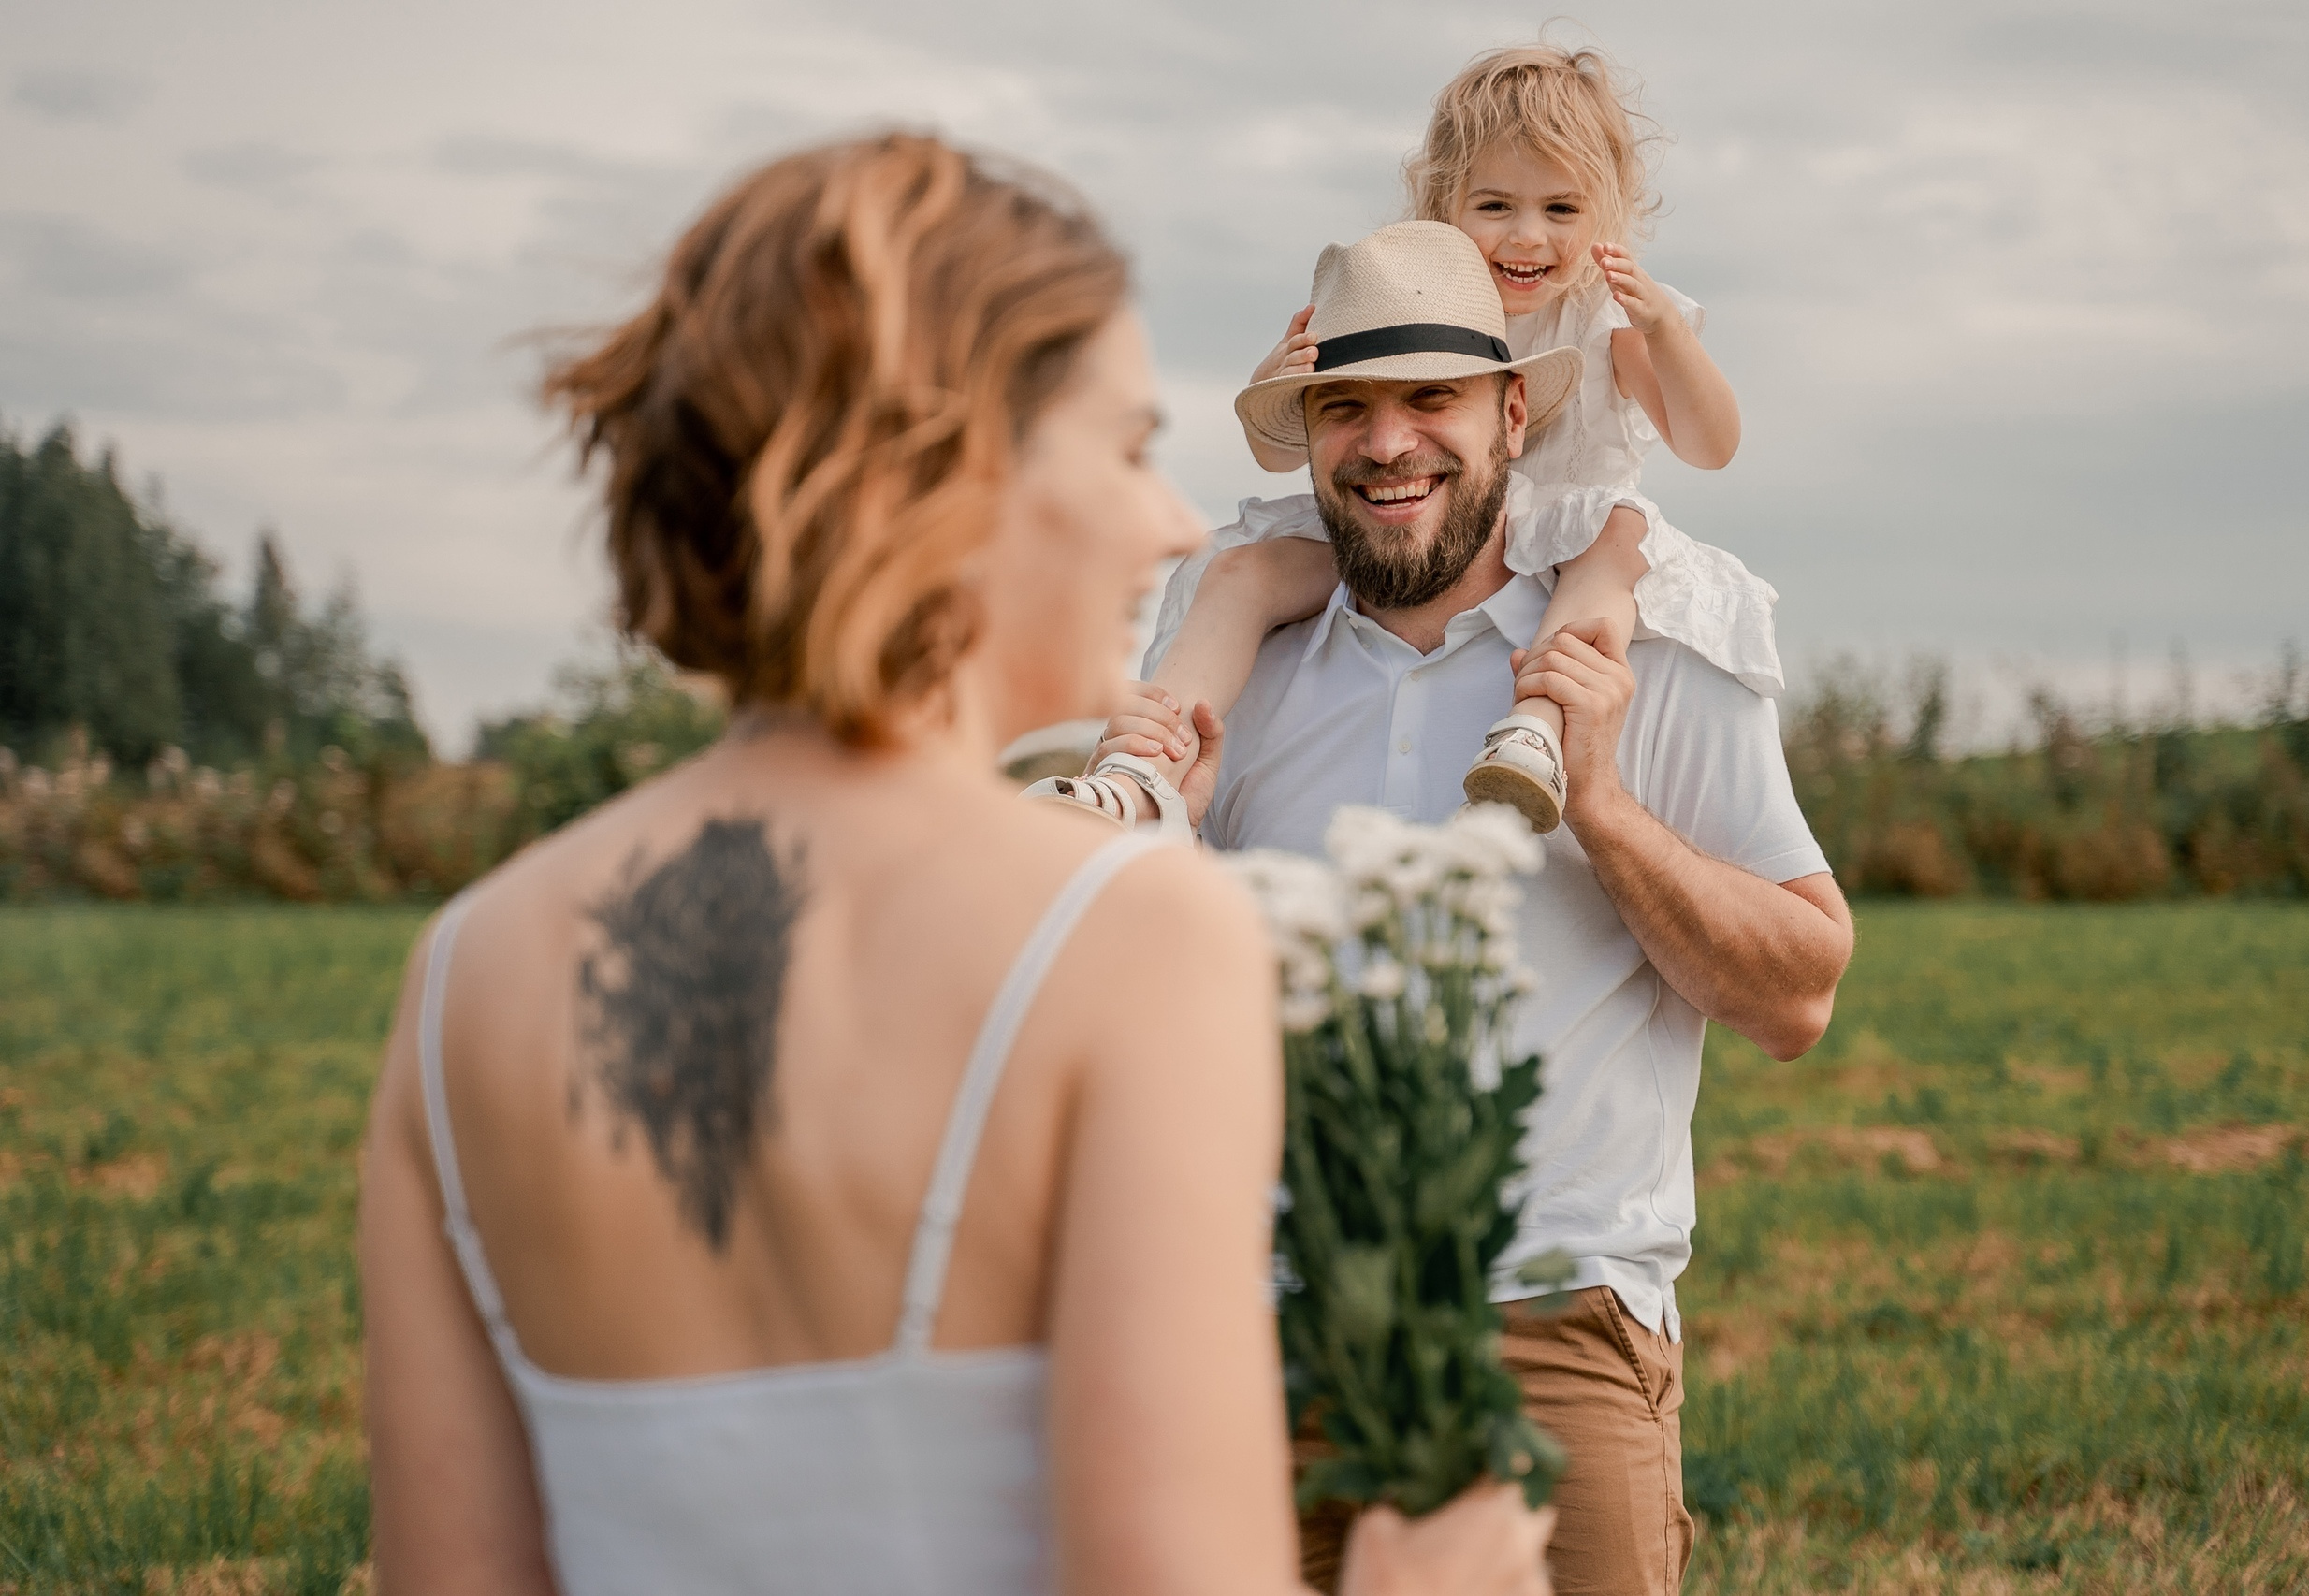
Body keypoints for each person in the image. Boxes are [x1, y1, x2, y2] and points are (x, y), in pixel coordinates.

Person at [356, 134, 1556, 1596]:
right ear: (953, 476)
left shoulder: (464, 973)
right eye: (1121, 449)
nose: (1172, 521)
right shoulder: (1131, 937)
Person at [1097, 217, 1854, 1595]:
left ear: (1515, 410)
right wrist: (1166, 841)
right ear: (1310, 432)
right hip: (1265, 1334)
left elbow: (1800, 993)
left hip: (1552, 1329)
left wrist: (1607, 806)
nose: (1388, 443)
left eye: (1430, 397)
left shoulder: (1652, 656)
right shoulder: (1230, 668)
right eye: (1347, 407)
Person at [1032, 42, 1779, 840]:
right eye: (1496, 207)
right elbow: (1282, 451)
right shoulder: (1399, 296)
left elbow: (1711, 446)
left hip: (1564, 540)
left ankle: (1536, 729)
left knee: (1620, 539)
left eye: (1561, 209)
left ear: (1605, 213)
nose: (1528, 238)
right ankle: (1141, 769)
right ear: (1443, 204)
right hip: (1412, 522)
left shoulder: (1609, 319)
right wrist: (1281, 374)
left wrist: (1666, 332)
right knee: (1242, 573)